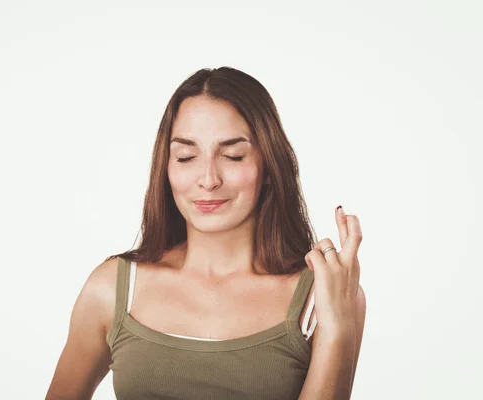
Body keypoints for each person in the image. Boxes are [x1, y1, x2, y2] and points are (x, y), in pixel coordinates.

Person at [45, 67, 366, 400]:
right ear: (165, 167)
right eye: (186, 157)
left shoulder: (326, 294)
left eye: (232, 155)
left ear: (269, 166)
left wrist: (337, 329)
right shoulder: (111, 289)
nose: (208, 179)